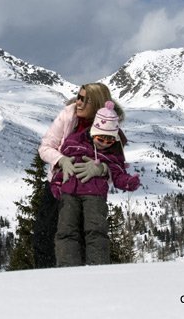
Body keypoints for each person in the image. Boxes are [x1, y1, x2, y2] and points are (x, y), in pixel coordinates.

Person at [35, 83, 125, 268]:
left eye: (86, 100)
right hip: (61, 185)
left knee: (89, 235)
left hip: (90, 191)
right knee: (45, 234)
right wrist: (62, 160)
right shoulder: (67, 116)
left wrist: (102, 169)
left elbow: (118, 163)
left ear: (98, 103)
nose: (79, 102)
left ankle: (88, 281)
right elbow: (45, 147)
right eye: (79, 97)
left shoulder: (108, 126)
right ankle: (47, 280)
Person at [50, 100, 140, 266]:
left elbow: (118, 174)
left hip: (95, 196)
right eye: (101, 138)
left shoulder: (112, 154)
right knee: (66, 230)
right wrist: (56, 185)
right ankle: (67, 267)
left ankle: (98, 267)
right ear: (93, 132)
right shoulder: (73, 143)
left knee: (96, 231)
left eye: (109, 140)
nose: (104, 143)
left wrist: (129, 182)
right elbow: (63, 165)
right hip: (70, 192)